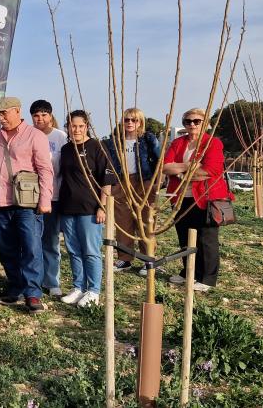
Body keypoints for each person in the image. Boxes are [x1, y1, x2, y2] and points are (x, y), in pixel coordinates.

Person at [0, 96, 54, 313]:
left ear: (17, 111)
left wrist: (45, 200)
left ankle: (33, 294)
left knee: (31, 248)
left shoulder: (35, 136)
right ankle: (15, 287)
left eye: (4, 113)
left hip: (26, 203)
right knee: (6, 249)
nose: (1, 117)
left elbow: (45, 169)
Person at [162, 108, 232, 292]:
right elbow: (165, 167)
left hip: (205, 198)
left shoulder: (212, 143)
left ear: (205, 123)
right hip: (180, 197)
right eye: (187, 121)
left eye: (196, 121)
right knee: (184, 236)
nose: (192, 124)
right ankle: (189, 271)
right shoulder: (178, 143)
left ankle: (207, 277)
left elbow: (210, 171)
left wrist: (182, 174)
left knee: (206, 239)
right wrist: (189, 166)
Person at [57, 110, 117, 308]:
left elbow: (106, 180)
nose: (76, 130)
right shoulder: (65, 149)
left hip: (90, 208)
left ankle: (93, 291)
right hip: (68, 207)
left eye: (80, 126)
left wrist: (102, 206)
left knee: (90, 251)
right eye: (73, 126)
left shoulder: (97, 147)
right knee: (73, 250)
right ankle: (78, 287)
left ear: (87, 126)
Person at [103, 107, 162, 274]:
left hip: (143, 181)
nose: (130, 123)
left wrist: (157, 182)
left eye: (134, 120)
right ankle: (125, 258)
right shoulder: (115, 141)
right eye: (127, 120)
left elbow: (160, 160)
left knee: (145, 220)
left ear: (140, 122)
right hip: (122, 181)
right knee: (123, 221)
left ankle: (148, 258)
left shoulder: (148, 139)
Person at [31, 100, 68, 297]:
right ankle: (35, 278)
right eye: (36, 116)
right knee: (33, 240)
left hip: (54, 195)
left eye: (44, 115)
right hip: (32, 197)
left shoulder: (60, 137)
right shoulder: (30, 135)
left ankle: (52, 280)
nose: (40, 119)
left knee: (51, 240)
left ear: (51, 116)